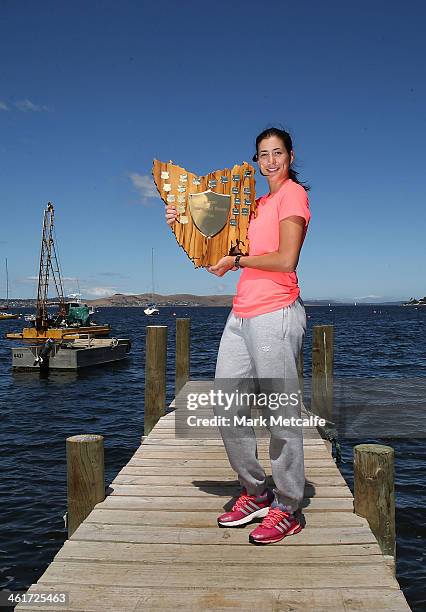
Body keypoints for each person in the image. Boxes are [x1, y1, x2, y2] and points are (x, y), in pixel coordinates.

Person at [165, 127, 311, 545]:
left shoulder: (292, 196)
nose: (270, 160)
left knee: (281, 414)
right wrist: (180, 218)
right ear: (256, 159)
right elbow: (215, 240)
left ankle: (287, 506)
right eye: (263, 154)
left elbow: (285, 259)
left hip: (276, 312)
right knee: (226, 406)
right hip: (241, 313)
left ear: (289, 155)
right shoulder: (257, 203)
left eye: (277, 152)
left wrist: (237, 260)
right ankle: (256, 490)